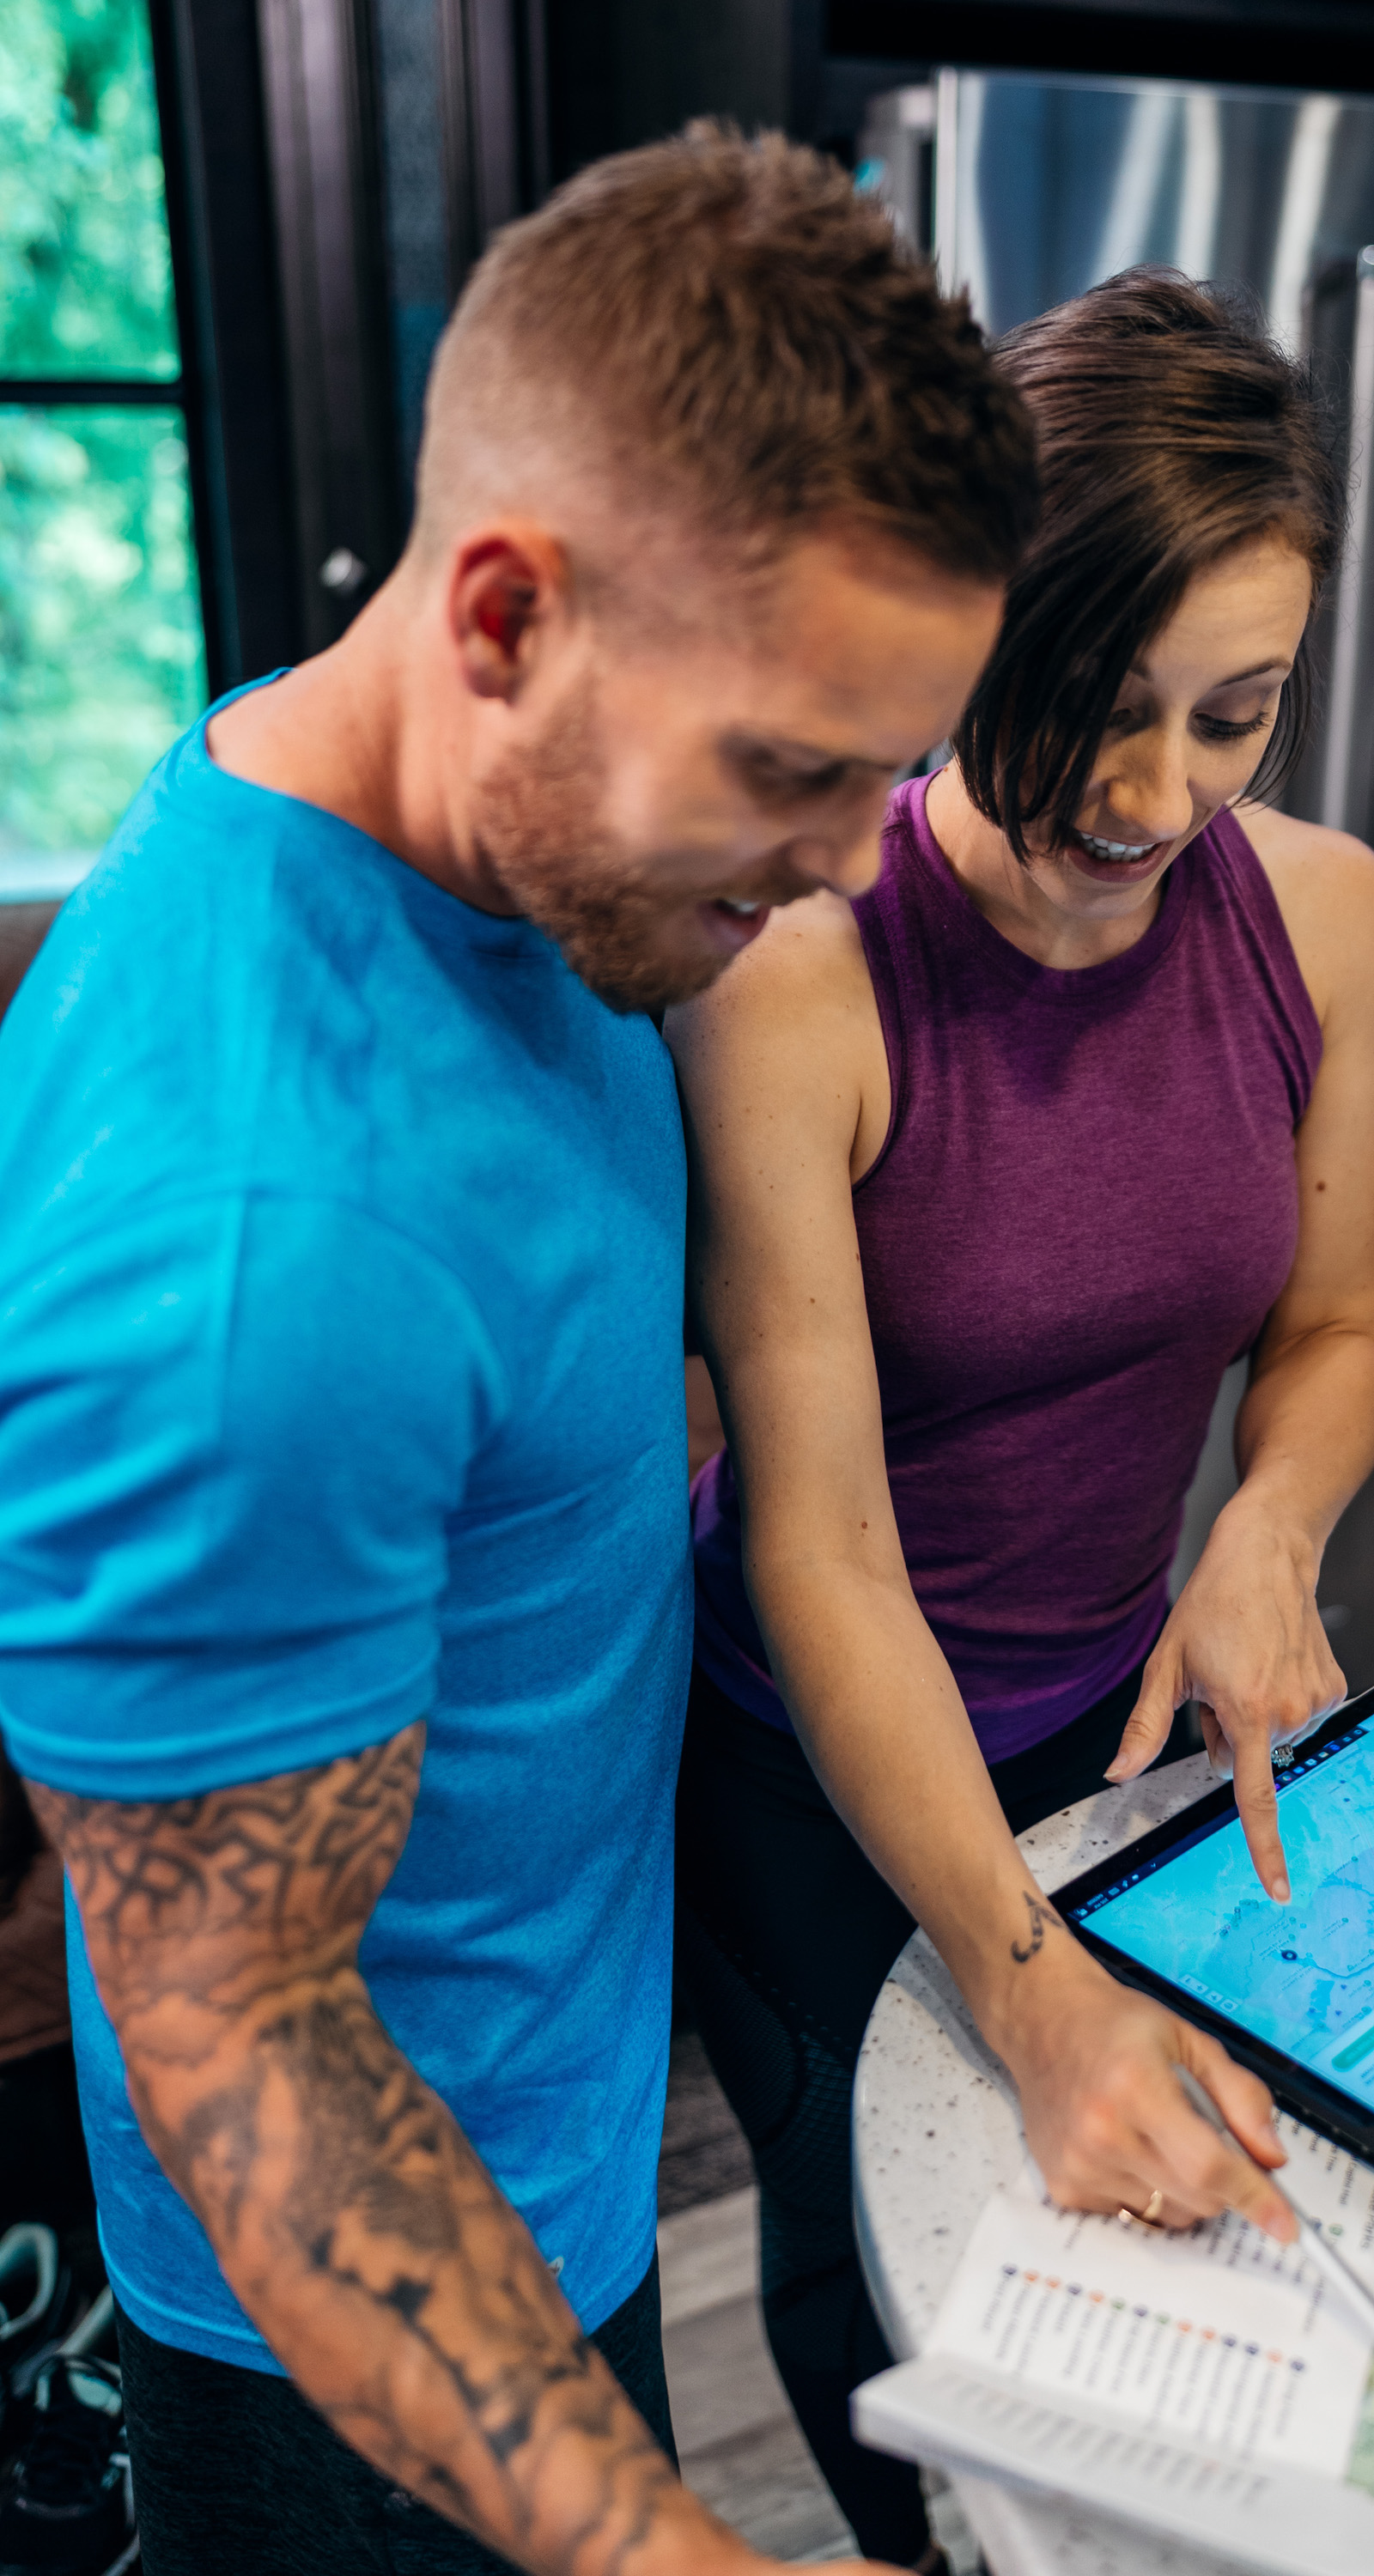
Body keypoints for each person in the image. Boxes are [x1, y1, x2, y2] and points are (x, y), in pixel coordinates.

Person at [0, 129, 1036, 2576]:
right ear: (500, 611)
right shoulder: (264, 1238)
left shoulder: (472, 833)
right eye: (791, 774)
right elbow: (249, 2058)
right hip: (356, 2351)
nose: (842, 872)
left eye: (882, 776)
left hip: (554, 2147)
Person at [667, 270, 1374, 2568]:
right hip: (810, 1768)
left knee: (1144, 2307)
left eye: (1235, 717)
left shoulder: (1327, 919)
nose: (1153, 794)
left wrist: (1271, 1523)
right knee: (883, 2302)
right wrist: (1021, 1984)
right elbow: (825, 1545)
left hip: (1126, 1741)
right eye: (1096, 699)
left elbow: (1335, 1330)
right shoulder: (804, 970)